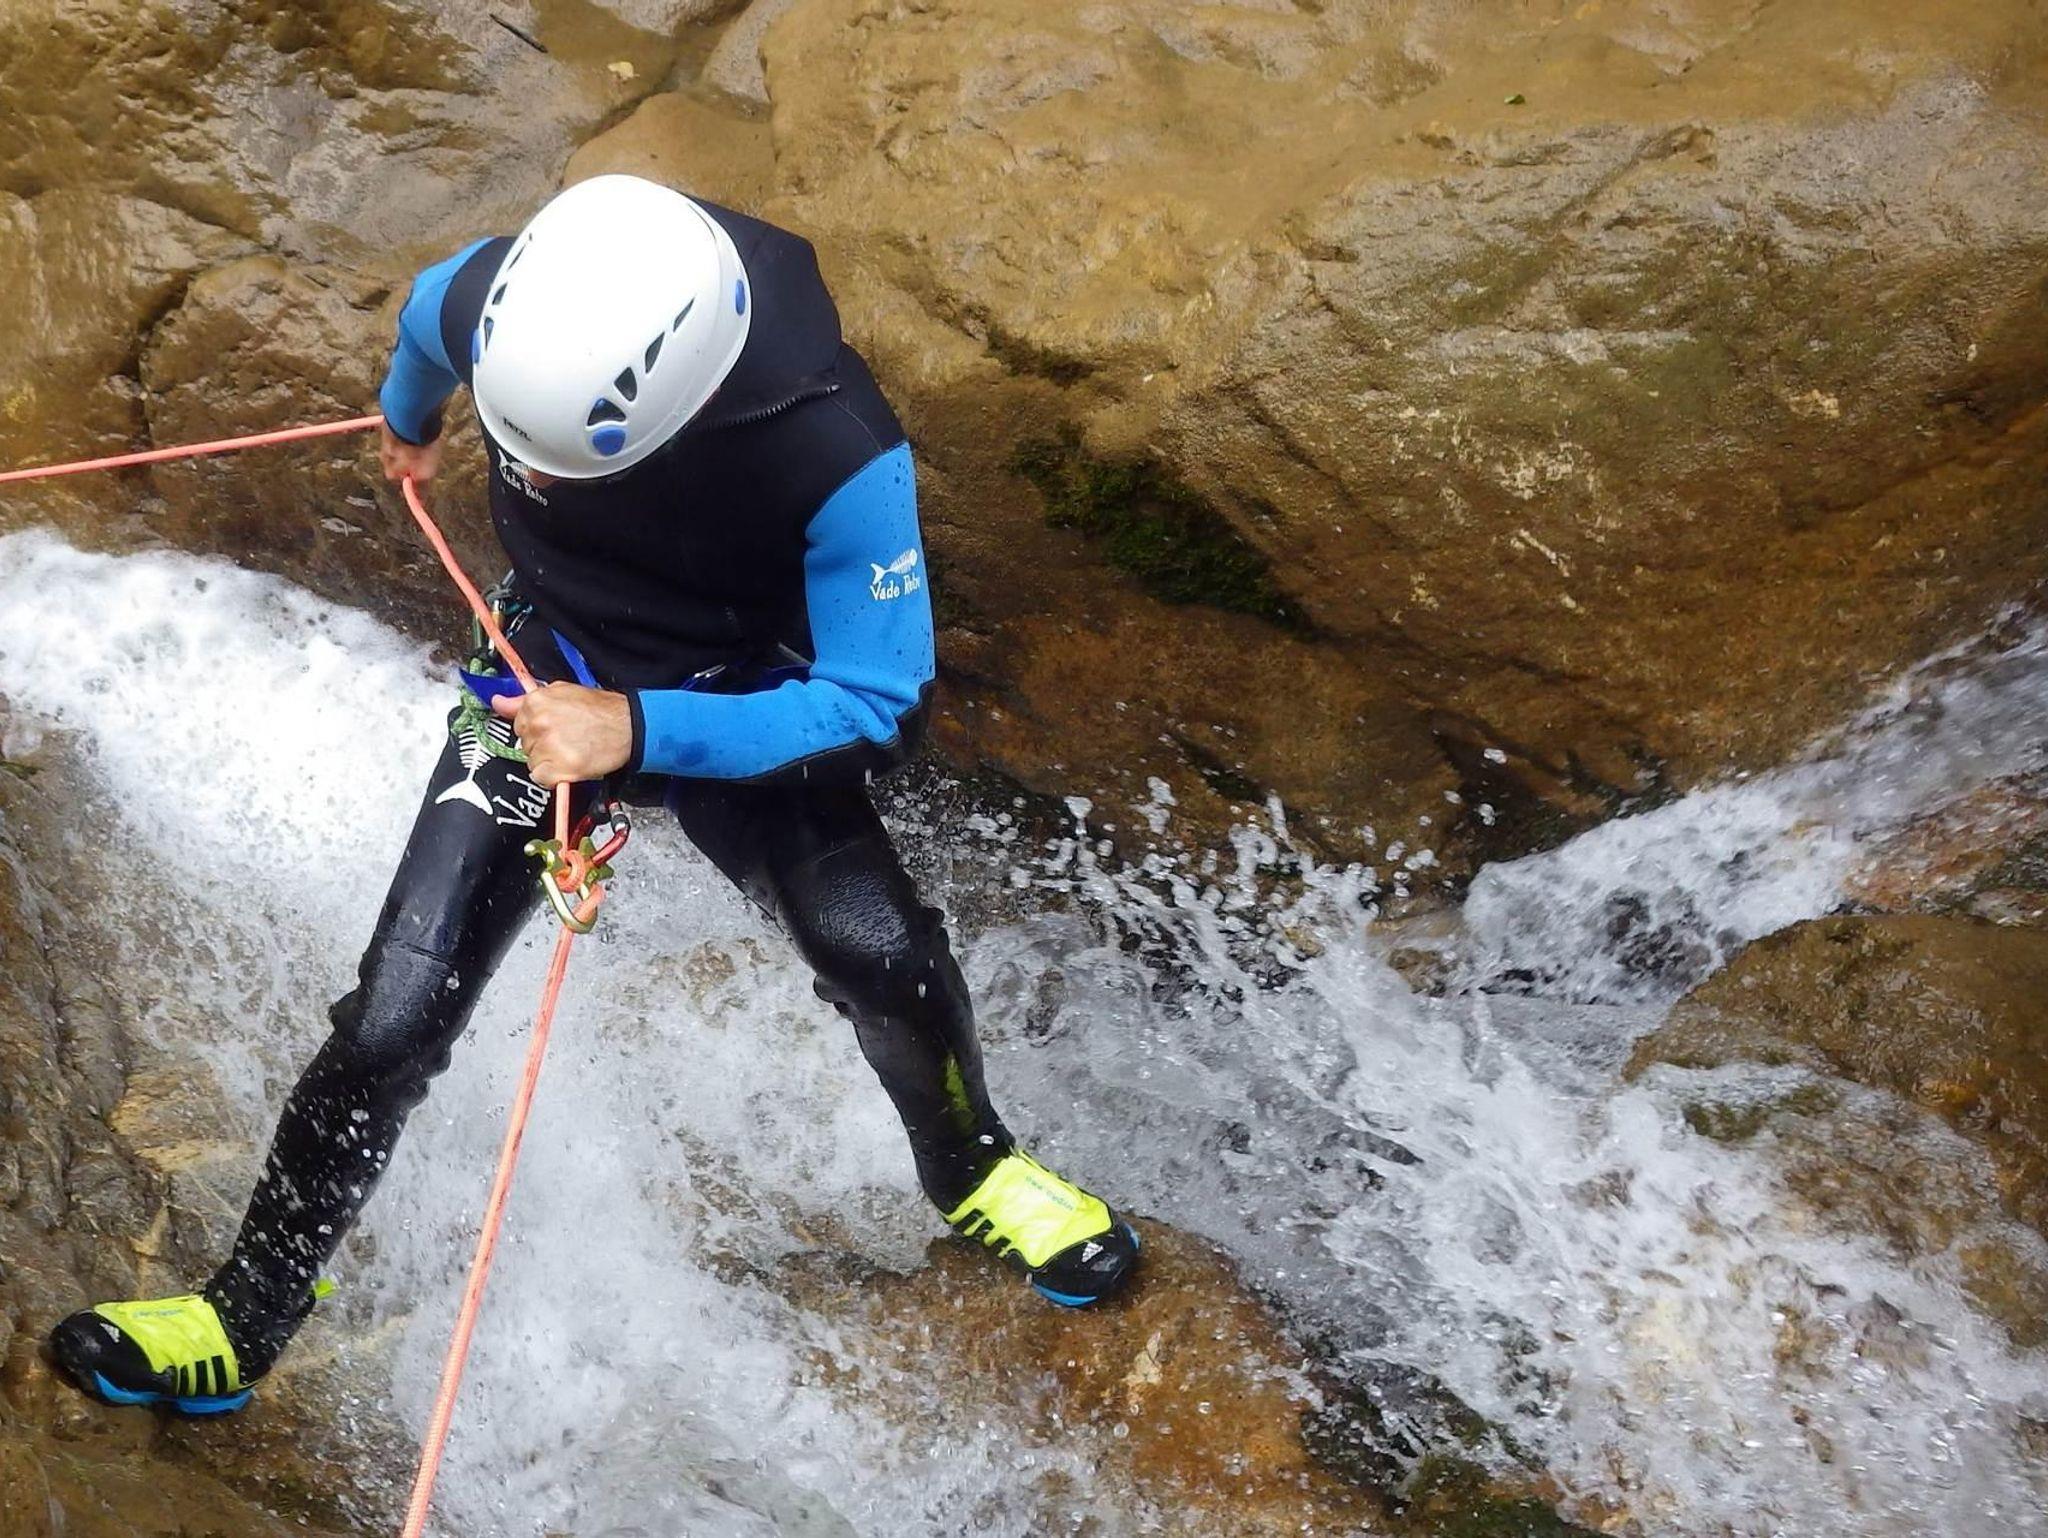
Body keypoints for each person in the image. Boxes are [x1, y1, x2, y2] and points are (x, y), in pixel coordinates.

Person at [47, 174, 1139, 1416]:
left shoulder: (835, 448)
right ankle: (243, 1316)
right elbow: (422, 318)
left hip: (740, 695)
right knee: (394, 1015)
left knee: (876, 950)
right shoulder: (503, 302)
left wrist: (638, 728)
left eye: (559, 464)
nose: (537, 482)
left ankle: (972, 1165)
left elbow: (875, 702)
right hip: (543, 668)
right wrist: (409, 417)